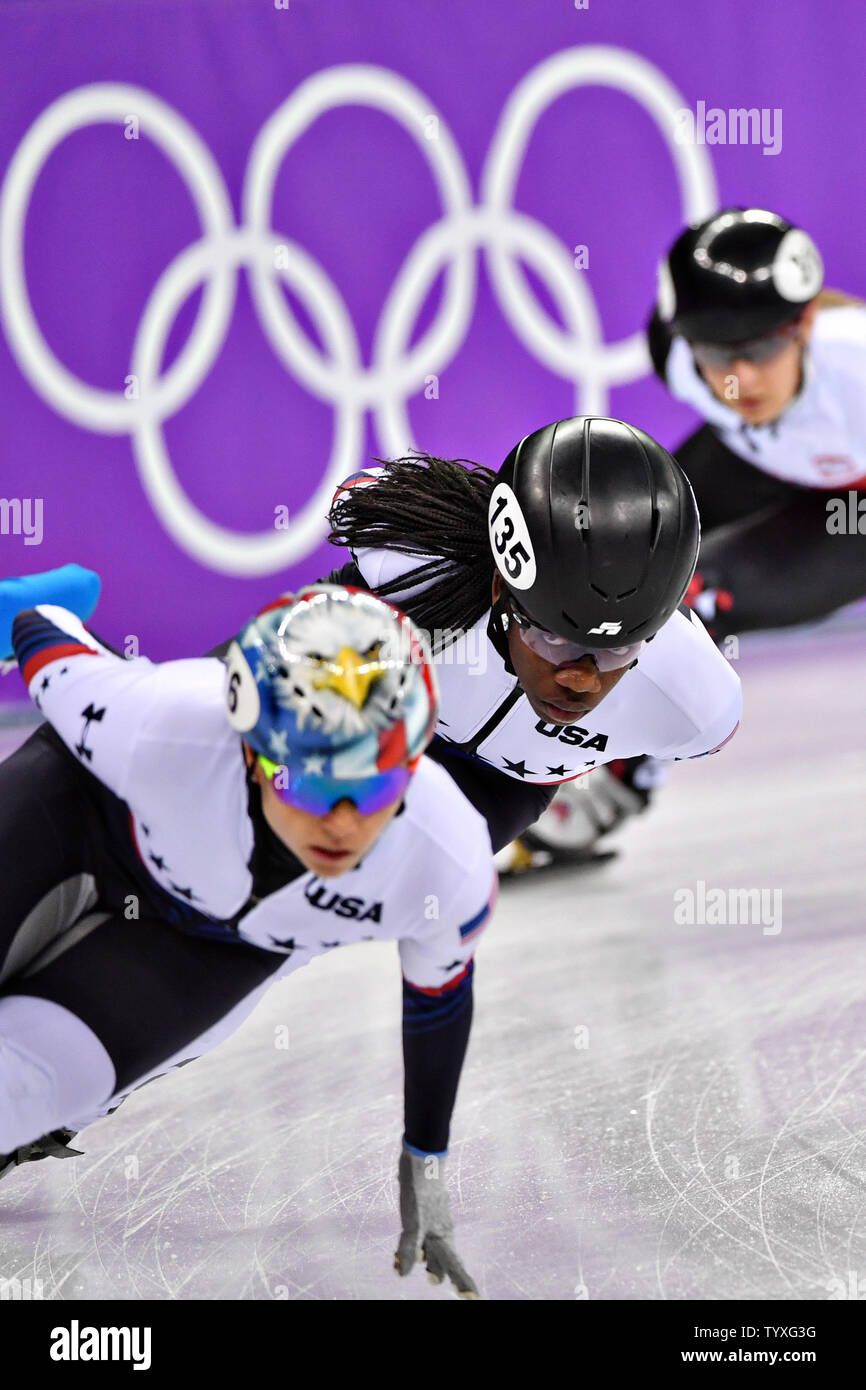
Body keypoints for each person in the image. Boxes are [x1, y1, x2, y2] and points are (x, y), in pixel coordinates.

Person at [0, 582, 495, 1297]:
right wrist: (42, 599)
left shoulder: (444, 856)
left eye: (378, 788)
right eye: (318, 789)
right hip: (81, 815)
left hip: (210, 952)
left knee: (22, 1091)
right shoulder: (161, 723)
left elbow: (439, 999)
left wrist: (426, 1159)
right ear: (256, 753)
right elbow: (40, 630)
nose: (345, 826)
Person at [325, 415, 742, 870]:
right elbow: (358, 493)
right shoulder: (415, 564)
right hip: (373, 703)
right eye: (552, 638)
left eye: (618, 649)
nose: (581, 680)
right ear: (500, 587)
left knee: (359, 887)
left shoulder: (696, 700)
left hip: (499, 784)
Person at [649, 207, 866, 639]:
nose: (740, 380)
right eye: (716, 354)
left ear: (804, 324)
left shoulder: (855, 369)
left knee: (693, 598)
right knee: (619, 550)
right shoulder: (674, 358)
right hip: (754, 459)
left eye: (764, 349)